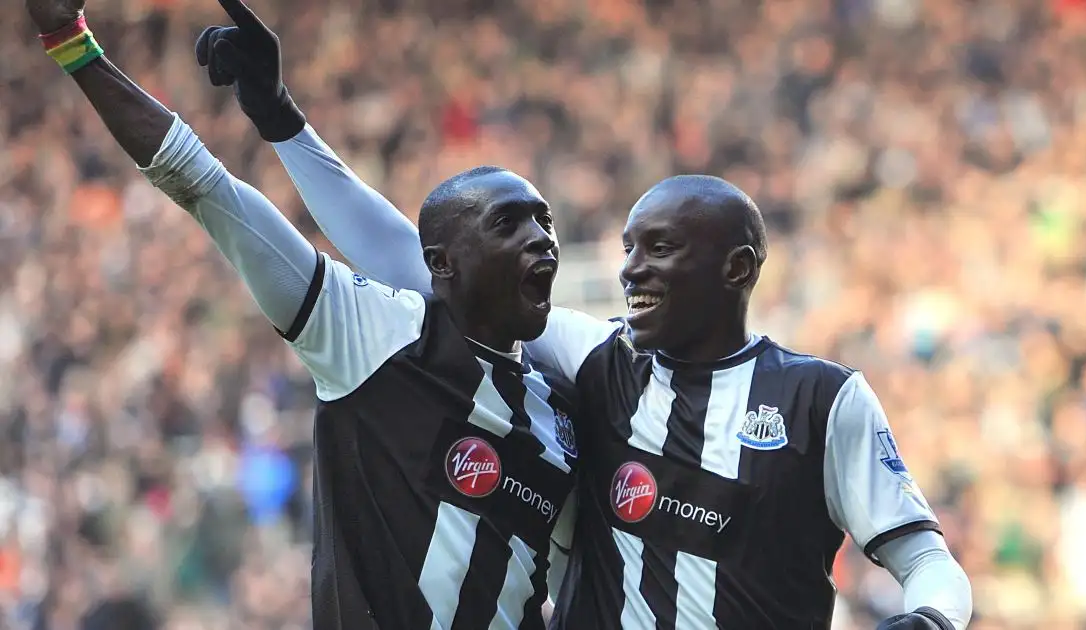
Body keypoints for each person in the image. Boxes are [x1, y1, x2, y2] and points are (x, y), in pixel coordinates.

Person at [196, 10, 974, 630]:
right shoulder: (596, 359)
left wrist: (931, 619)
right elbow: (413, 259)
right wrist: (279, 119)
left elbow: (924, 557)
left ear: (737, 268)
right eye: (629, 249)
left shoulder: (822, 401)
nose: (630, 269)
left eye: (660, 249)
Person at [22, 0, 581, 627]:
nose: (541, 237)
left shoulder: (561, 413)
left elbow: (578, 584)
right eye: (508, 222)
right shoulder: (376, 339)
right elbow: (208, 189)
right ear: (443, 264)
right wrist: (73, 45)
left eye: (546, 220)